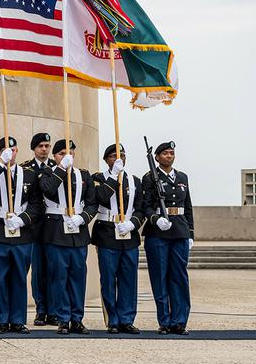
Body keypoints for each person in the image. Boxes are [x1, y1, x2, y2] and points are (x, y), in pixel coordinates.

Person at [0, 137, 43, 334]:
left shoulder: (29, 175)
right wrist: (0, 163)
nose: (12, 153)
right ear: (0, 152)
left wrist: (23, 219)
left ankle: (18, 320)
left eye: (14, 150)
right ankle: (3, 320)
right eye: (8, 150)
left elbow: (36, 204)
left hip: (22, 234)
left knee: (19, 279)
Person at [38, 139, 98, 335]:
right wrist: (61, 169)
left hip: (77, 233)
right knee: (59, 277)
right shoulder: (47, 172)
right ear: (55, 156)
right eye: (61, 153)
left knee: (78, 278)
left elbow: (92, 203)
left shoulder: (84, 175)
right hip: (56, 232)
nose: (66, 156)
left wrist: (83, 218)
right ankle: (63, 318)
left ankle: (77, 318)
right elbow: (48, 189)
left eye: (69, 152)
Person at [142, 141, 194, 335]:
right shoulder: (149, 178)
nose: (169, 156)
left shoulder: (182, 177)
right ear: (156, 157)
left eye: (171, 153)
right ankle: (164, 321)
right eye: (165, 153)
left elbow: (187, 206)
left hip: (179, 230)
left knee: (179, 277)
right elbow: (145, 206)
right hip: (158, 233)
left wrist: (190, 234)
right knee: (160, 276)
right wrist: (155, 219)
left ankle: (180, 321)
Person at [92, 144, 144, 334]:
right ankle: (112, 319)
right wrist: (114, 176)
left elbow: (140, 208)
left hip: (128, 234)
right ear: (106, 160)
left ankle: (127, 318)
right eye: (114, 156)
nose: (118, 159)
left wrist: (133, 223)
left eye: (122, 155)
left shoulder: (135, 181)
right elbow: (102, 198)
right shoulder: (98, 178)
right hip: (107, 232)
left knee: (129, 278)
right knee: (108, 278)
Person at [22, 132, 56, 326]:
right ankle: (41, 310)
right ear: (34, 148)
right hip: (34, 227)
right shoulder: (25, 169)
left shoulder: (56, 167)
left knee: (53, 270)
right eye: (41, 146)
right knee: (38, 272)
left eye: (47, 146)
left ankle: (53, 311)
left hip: (54, 227)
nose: (44, 149)